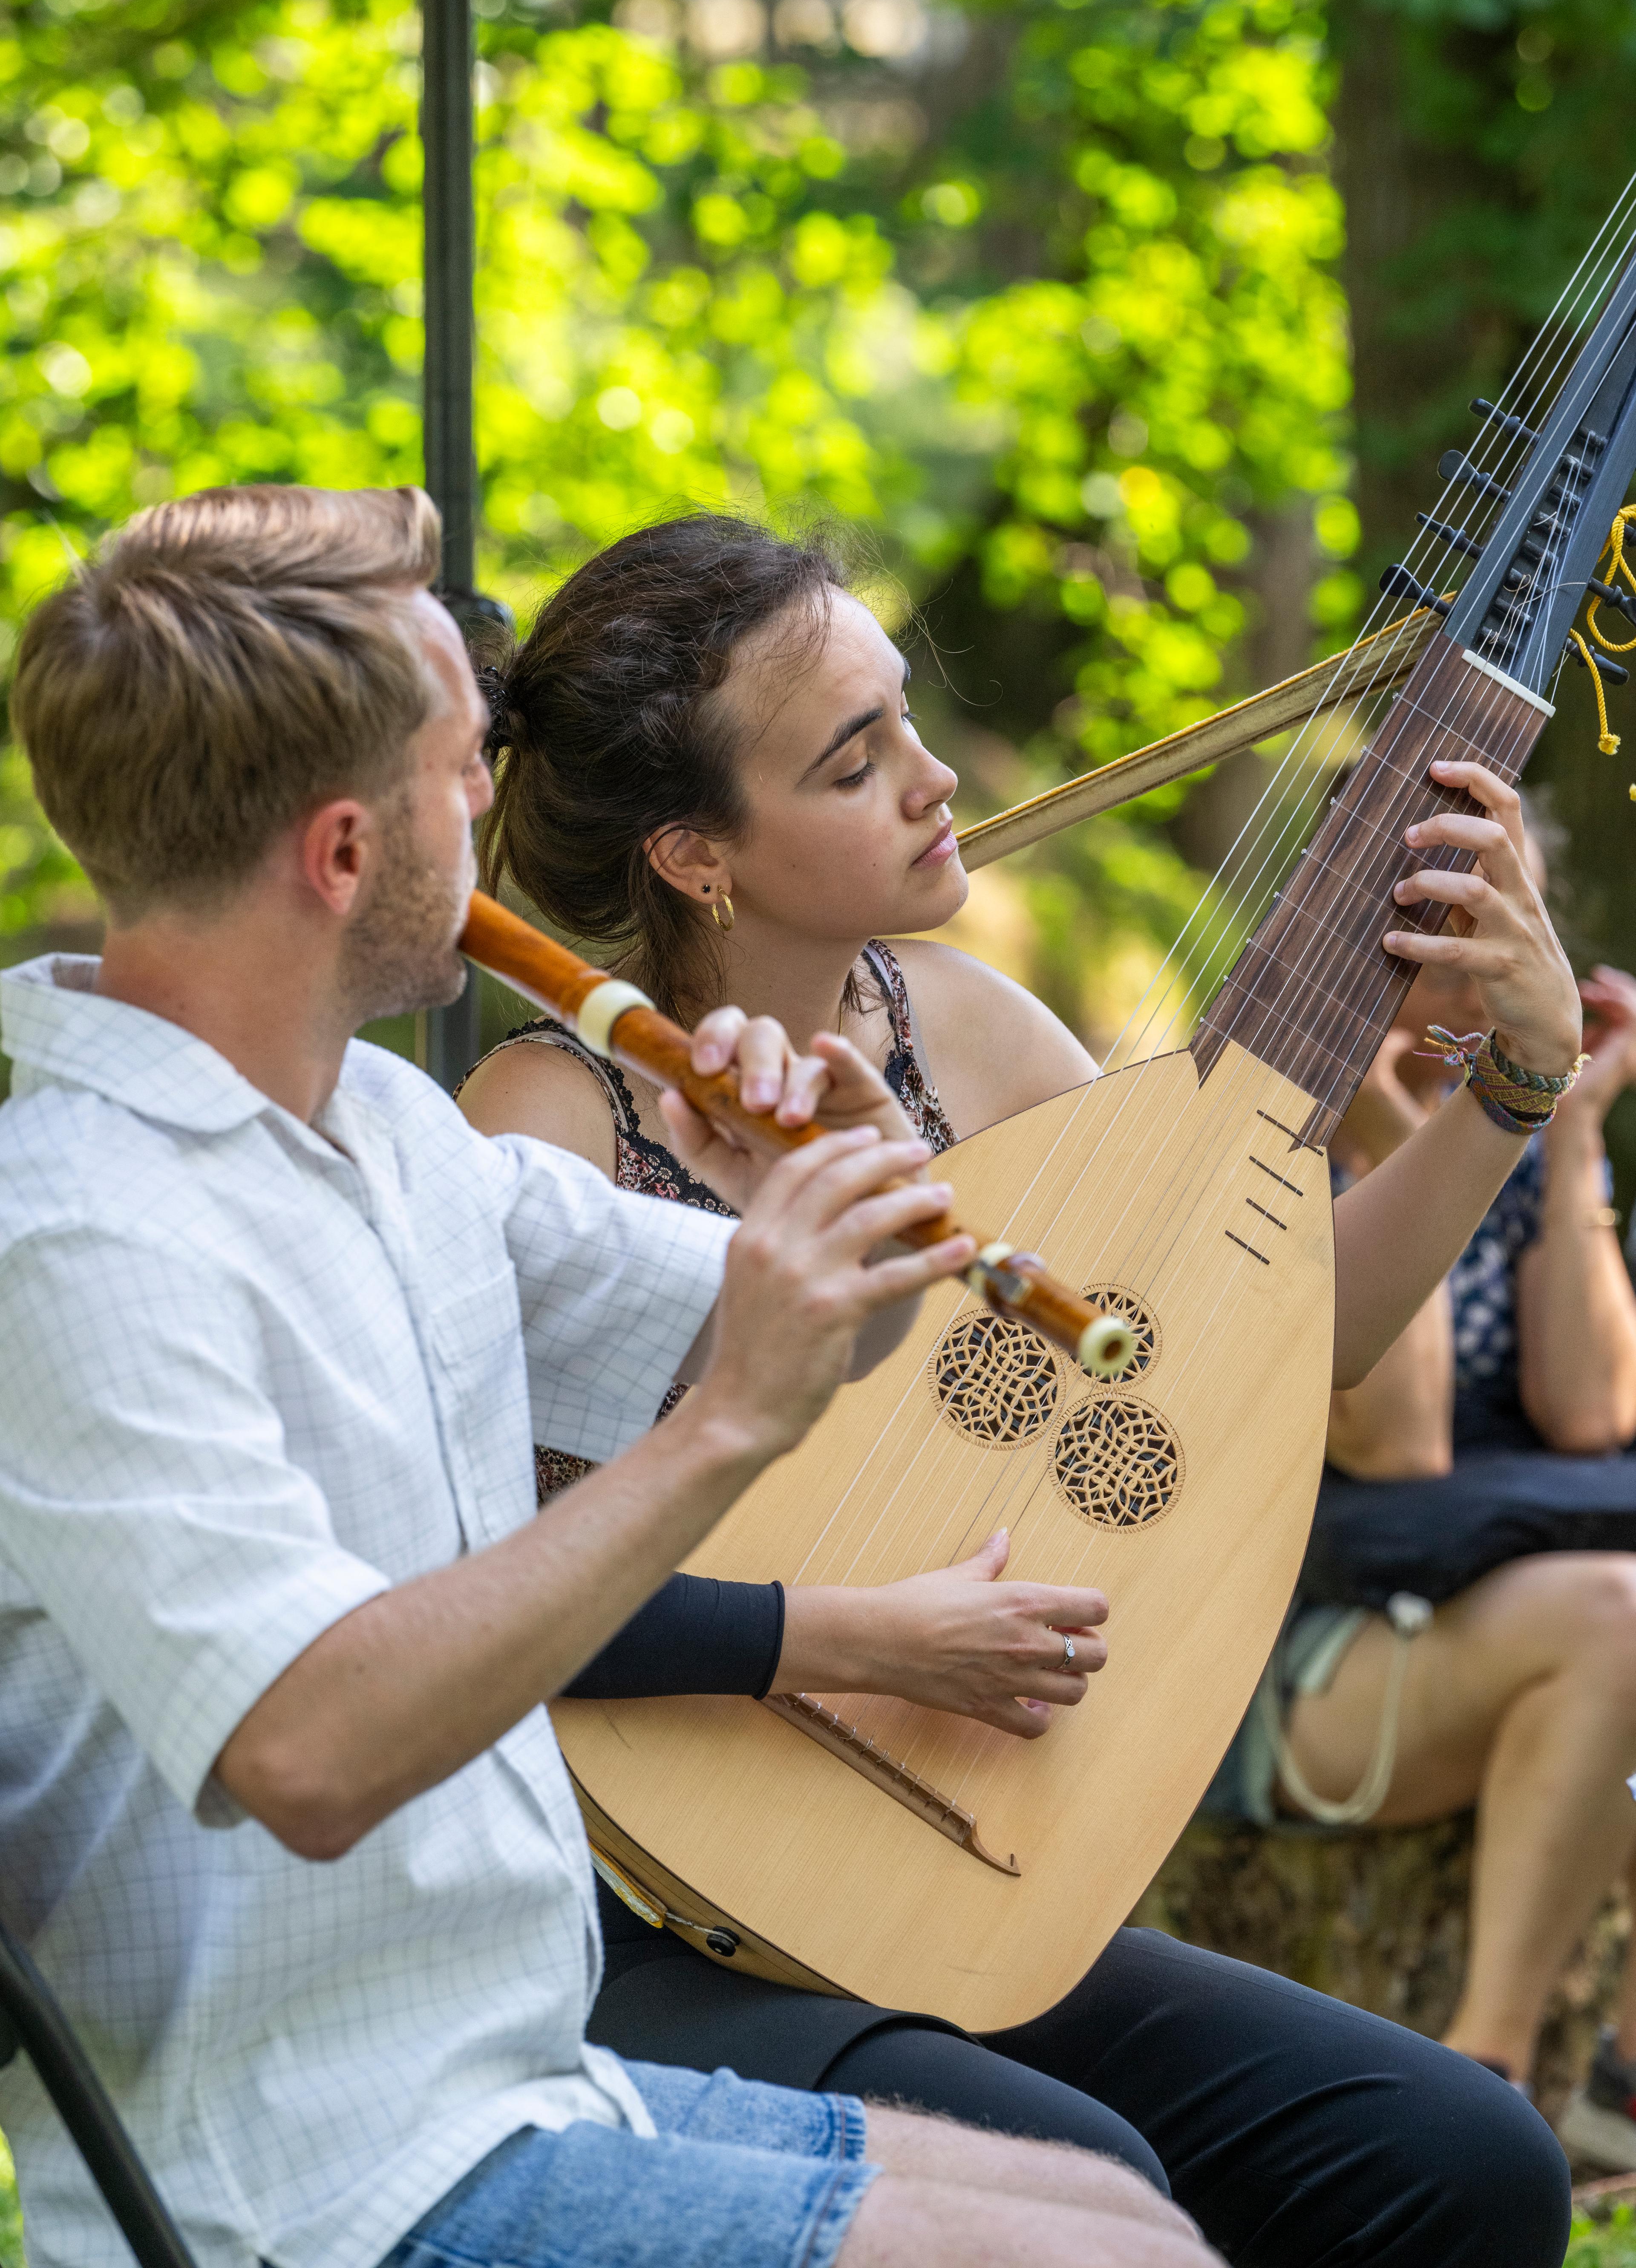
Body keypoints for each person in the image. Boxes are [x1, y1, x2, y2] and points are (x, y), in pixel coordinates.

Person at [0, 484, 1220, 2268]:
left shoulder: (390, 1134)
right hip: (305, 2189)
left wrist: (843, 1183)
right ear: (344, 856)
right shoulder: (85, 1239)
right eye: (454, 773)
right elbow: (313, 1751)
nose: (494, 799)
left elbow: (843, 1320)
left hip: (517, 2087)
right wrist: (729, 1425)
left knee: (1117, 2210)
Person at [455, 508, 1583, 2267]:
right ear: (698, 857)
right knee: (1099, 2176)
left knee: (1464, 2156)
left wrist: (1516, 1084)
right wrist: (848, 1633)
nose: (931, 779)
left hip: (925, 1861)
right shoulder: (545, 1129)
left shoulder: (962, 1025)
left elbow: (1251, 1360)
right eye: (856, 759)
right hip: (632, 1919)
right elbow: (471, 1620)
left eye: (908, 717)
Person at [1232, 885, 1636, 2156]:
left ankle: (1622, 2081)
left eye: (1491, 974)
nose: (1463, 1013)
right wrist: (1383, 1129)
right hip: (1275, 1656)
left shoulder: (1514, 1140)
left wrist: (1567, 1133)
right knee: (1621, 1611)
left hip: (1476, 1623)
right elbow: (1398, 1442)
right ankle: (1490, 2081)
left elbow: (1592, 1413)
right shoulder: (1261, 1148)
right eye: (1428, 973)